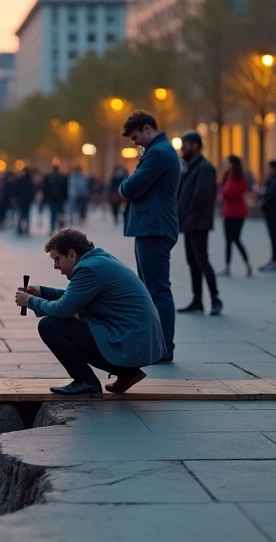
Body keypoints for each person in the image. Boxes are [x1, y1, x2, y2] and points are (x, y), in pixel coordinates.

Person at [15, 228, 164, 395]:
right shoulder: (97, 260)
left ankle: (85, 380)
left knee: (49, 325)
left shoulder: (88, 269)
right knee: (67, 322)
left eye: (57, 259)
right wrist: (41, 291)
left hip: (130, 342)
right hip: (138, 340)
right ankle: (127, 373)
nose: (55, 266)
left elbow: (64, 309)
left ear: (71, 253)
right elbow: (75, 298)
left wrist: (31, 301)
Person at [118, 111, 179, 362]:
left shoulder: (157, 153)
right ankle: (158, 344)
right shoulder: (158, 150)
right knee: (152, 289)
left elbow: (130, 188)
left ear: (146, 129)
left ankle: (164, 347)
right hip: (151, 227)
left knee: (158, 291)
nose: (134, 143)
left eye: (134, 137)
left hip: (154, 228)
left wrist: (125, 183)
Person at [176, 131, 221, 316]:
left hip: (198, 223)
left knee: (202, 261)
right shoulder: (190, 167)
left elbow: (201, 198)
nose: (182, 149)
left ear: (195, 145)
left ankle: (215, 299)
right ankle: (197, 300)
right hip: (189, 223)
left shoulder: (204, 168)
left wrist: (189, 216)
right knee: (193, 262)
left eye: (185, 145)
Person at [219, 155, 253, 278]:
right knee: (228, 240)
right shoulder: (228, 175)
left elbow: (231, 192)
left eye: (227, 163)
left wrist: (224, 192)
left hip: (237, 212)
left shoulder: (240, 177)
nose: (225, 165)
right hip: (228, 212)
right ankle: (227, 267)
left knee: (236, 239)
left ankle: (247, 263)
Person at [43, 164, 69, 233]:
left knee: (56, 215)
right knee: (56, 214)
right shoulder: (56, 177)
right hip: (55, 199)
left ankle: (55, 228)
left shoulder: (54, 178)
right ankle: (55, 228)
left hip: (58, 199)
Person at [13, 168, 35, 235]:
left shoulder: (21, 180)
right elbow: (32, 191)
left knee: (21, 215)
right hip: (25, 200)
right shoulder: (29, 181)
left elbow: (16, 190)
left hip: (22, 200)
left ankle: (20, 228)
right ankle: (25, 228)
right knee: (26, 215)